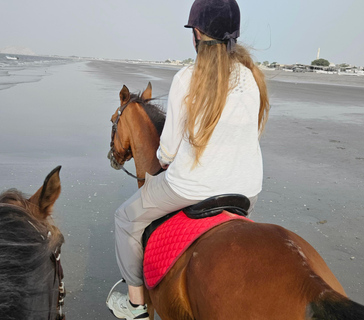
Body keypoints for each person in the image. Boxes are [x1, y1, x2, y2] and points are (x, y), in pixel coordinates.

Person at [106, 0, 270, 319]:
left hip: (191, 188)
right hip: (247, 191)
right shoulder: (252, 77)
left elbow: (166, 151)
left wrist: (167, 161)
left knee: (125, 219)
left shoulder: (186, 77)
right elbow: (252, 134)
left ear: (196, 34)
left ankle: (136, 305)